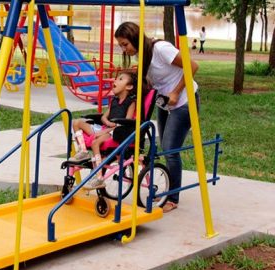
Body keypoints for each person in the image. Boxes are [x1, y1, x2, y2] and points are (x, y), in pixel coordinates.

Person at [115, 21, 199, 212]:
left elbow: (192, 66)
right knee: (162, 147)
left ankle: (173, 198)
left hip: (184, 101)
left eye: (125, 44)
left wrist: (176, 93)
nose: (124, 49)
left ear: (135, 38)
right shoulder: (142, 57)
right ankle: (170, 188)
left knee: (170, 149)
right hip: (165, 103)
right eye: (120, 45)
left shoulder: (160, 49)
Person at [70, 71, 137, 189]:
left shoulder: (130, 103)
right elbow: (104, 117)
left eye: (120, 79)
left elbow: (126, 123)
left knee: (96, 143)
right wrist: (106, 123)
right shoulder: (114, 101)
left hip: (116, 132)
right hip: (105, 128)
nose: (115, 81)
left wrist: (106, 130)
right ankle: (83, 151)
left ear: (129, 86)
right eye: (116, 79)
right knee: (76, 122)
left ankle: (99, 178)